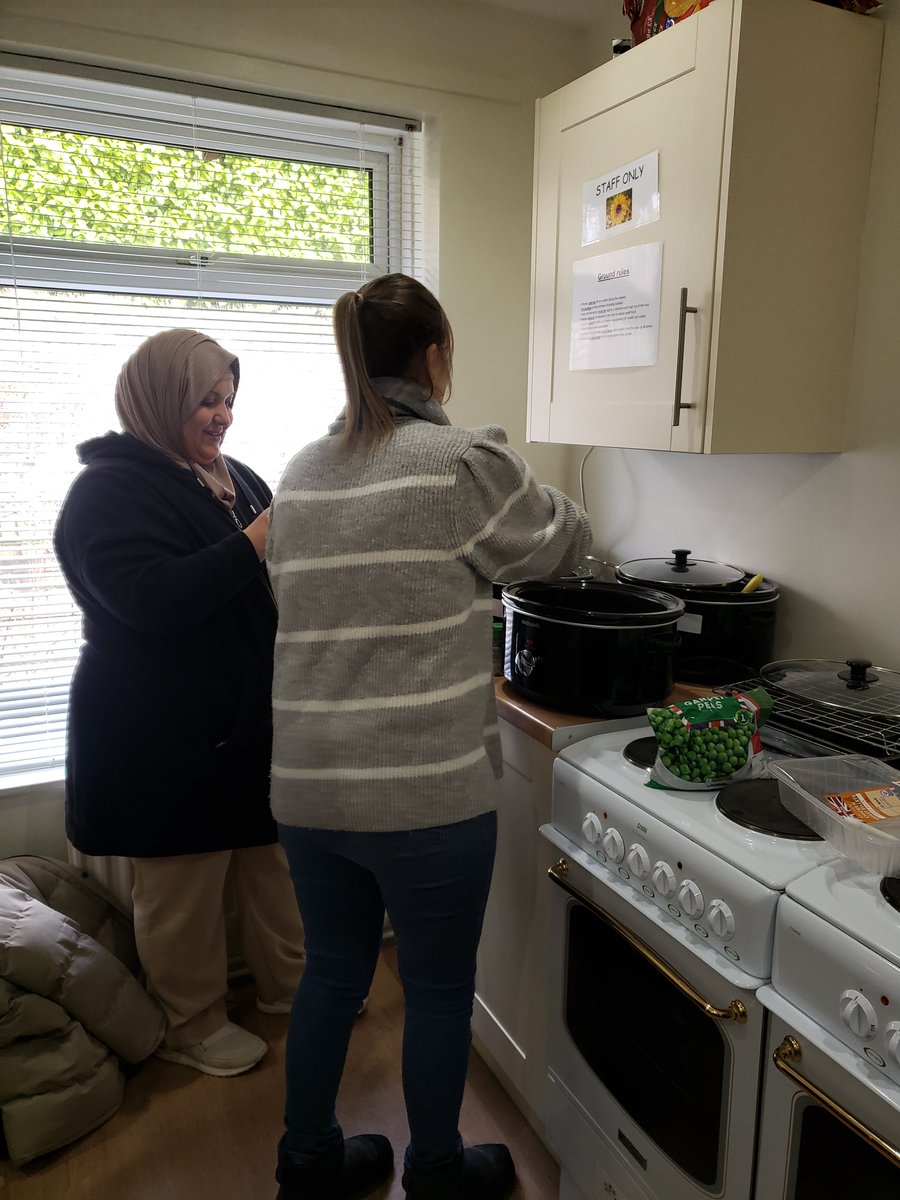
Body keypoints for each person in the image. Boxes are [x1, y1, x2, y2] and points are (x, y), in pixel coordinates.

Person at [267, 273, 592, 1200]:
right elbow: (560, 548)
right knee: (440, 989)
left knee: (332, 971)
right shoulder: (458, 462)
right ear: (435, 356)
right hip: (425, 792)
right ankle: (439, 1173)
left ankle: (309, 1162)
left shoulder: (297, 471)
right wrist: (549, 490)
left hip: (308, 786)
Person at [53, 328, 305, 1077]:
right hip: (160, 733)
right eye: (205, 398)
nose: (223, 414)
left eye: (229, 398)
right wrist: (260, 538)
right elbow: (149, 600)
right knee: (183, 889)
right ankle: (192, 1023)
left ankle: (292, 986)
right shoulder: (107, 491)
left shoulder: (238, 478)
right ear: (160, 400)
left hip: (246, 723)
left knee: (274, 866)